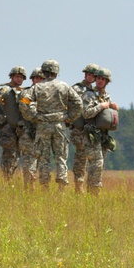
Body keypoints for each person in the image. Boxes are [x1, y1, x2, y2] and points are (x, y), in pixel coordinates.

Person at [24, 61, 83, 189]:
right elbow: (78, 103)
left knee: (44, 158)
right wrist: (69, 118)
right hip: (59, 126)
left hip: (42, 125)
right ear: (56, 72)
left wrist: (33, 117)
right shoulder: (64, 86)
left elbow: (24, 102)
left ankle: (45, 186)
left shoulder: (37, 87)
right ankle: (61, 188)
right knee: (61, 157)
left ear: (44, 72)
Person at [82, 69, 119, 195]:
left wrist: (114, 108)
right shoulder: (89, 95)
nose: (100, 81)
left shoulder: (107, 96)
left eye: (103, 79)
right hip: (91, 134)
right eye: (98, 78)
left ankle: (93, 193)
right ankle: (93, 193)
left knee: (99, 164)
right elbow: (86, 113)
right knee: (96, 163)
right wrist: (101, 106)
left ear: (107, 81)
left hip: (103, 135)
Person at [0, 67, 28, 180]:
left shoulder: (23, 91)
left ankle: (9, 177)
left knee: (16, 154)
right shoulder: (4, 89)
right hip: (6, 126)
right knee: (9, 153)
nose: (19, 79)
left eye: (21, 77)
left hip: (19, 127)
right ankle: (6, 179)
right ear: (11, 76)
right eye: (17, 76)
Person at [70, 65, 100, 189]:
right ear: (85, 74)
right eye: (89, 74)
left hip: (91, 130)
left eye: (93, 75)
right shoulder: (76, 88)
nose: (90, 77)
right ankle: (78, 187)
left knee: (92, 161)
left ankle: (88, 186)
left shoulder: (95, 92)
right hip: (79, 129)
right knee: (80, 160)